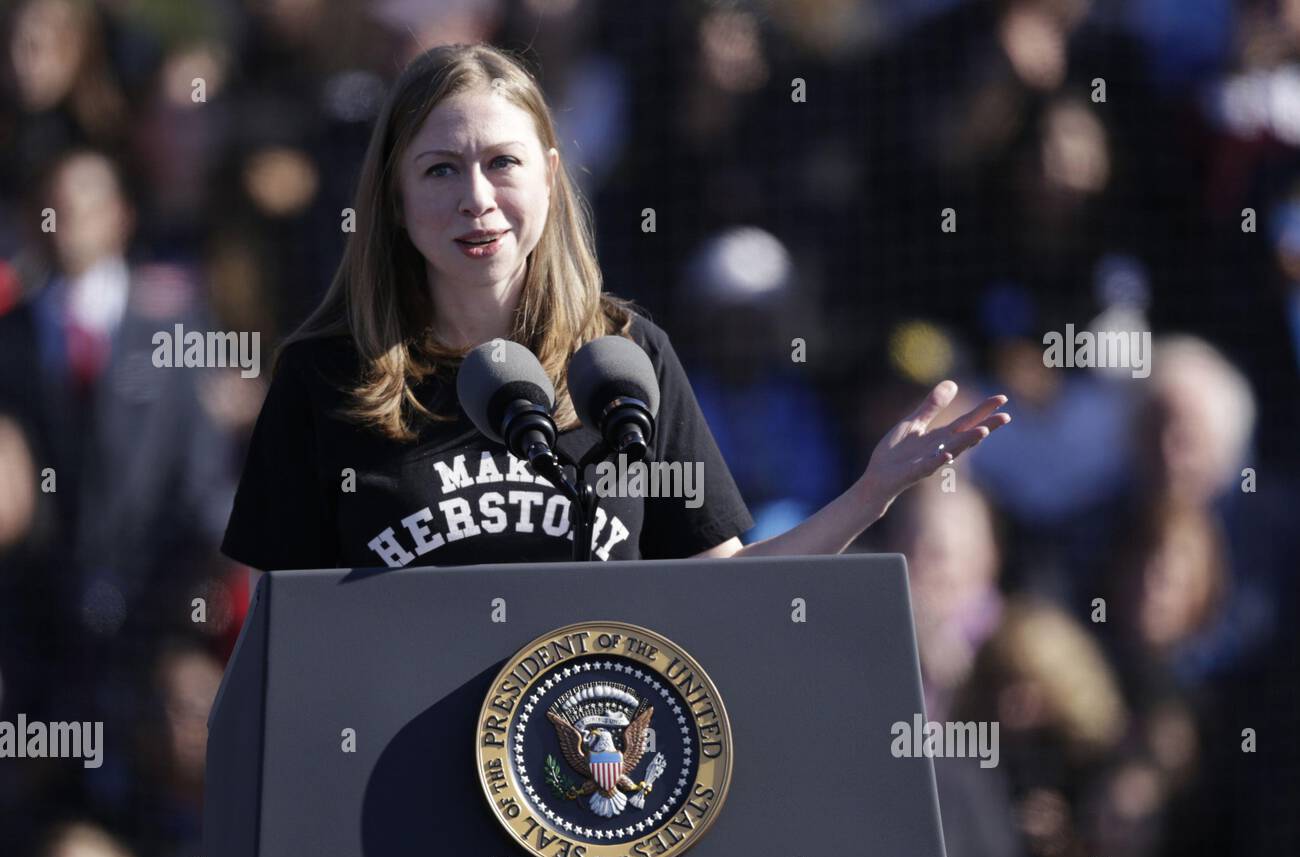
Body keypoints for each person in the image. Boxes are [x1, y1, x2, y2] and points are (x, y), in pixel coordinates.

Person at [220, 42, 1011, 575]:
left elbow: (723, 592)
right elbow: (280, 632)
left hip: (595, 790)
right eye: (439, 171)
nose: (476, 199)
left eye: (503, 163)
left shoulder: (623, 359)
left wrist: (868, 495)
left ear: (551, 177)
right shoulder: (325, 376)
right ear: (392, 198)